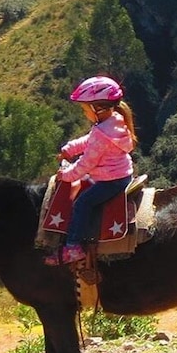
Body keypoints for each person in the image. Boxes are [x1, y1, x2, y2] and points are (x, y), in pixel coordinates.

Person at [44, 75, 137, 266]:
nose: (84, 112)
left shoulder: (102, 134)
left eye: (85, 108)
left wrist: (67, 175)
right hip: (122, 175)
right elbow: (89, 140)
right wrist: (69, 149)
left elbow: (86, 164)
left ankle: (73, 247)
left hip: (110, 181)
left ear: (97, 108)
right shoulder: (114, 122)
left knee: (82, 203)